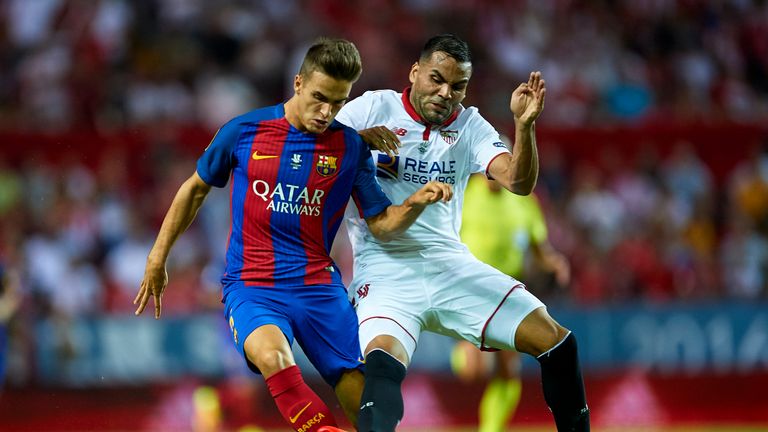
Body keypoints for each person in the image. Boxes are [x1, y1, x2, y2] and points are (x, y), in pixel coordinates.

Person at [133, 38, 452, 432]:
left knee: (359, 386)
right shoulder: (244, 132)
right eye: (319, 97)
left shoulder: (350, 147)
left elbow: (381, 223)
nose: (326, 112)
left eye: (337, 102)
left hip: (318, 285)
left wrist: (415, 203)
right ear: (298, 82)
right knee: (274, 357)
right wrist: (157, 256)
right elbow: (195, 188)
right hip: (253, 285)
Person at [335, 34, 590, 431]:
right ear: (415, 73)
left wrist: (525, 126)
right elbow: (310, 140)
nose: (445, 93)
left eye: (457, 86)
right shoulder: (374, 107)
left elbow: (519, 183)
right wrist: (356, 140)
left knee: (558, 342)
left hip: (451, 265)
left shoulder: (470, 125)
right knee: (382, 368)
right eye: (436, 79)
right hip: (385, 269)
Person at [452, 166, 571, 432]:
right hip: (470, 286)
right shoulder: (464, 194)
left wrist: (554, 263)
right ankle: (463, 351)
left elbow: (539, 247)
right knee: (474, 370)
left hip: (508, 288)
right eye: (489, 169)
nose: (494, 175)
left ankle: (491, 429)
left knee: (508, 370)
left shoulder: (525, 201)